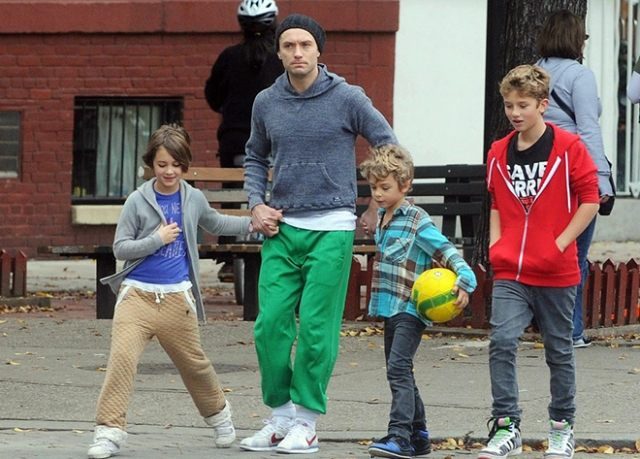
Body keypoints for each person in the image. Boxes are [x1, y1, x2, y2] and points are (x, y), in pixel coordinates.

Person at [239, 13, 398, 454]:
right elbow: (254, 157)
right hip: (281, 228)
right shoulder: (266, 102)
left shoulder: (347, 97)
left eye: (305, 45)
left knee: (315, 328)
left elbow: (388, 145)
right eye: (289, 45)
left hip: (332, 228)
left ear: (318, 50)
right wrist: (256, 205)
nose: (297, 53)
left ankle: (306, 423)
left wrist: (375, 204)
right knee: (269, 325)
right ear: (279, 52)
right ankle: (280, 417)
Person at [87, 124, 256, 459]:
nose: (169, 171)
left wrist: (254, 223)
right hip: (137, 297)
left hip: (177, 299)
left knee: (195, 365)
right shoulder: (137, 201)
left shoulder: (192, 198)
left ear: (185, 165)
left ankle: (220, 415)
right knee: (121, 361)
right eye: (162, 164)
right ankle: (108, 432)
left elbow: (217, 223)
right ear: (151, 163)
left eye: (176, 165)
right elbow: (121, 247)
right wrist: (156, 240)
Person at [477, 65, 599, 459]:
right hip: (511, 269)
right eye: (509, 105)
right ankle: (506, 427)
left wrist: (560, 244)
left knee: (559, 351)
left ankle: (562, 428)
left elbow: (590, 201)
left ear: (542, 105)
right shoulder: (499, 152)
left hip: (555, 270)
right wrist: (497, 246)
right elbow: (497, 202)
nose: (514, 113)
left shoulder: (569, 147)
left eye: (523, 105)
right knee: (501, 342)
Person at [359, 145, 477, 459]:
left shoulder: (417, 220)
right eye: (374, 187)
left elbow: (446, 251)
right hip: (389, 306)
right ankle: (419, 435)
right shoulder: (383, 216)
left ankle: (399, 436)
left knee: (398, 369)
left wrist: (466, 280)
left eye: (385, 187)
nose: (378, 194)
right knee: (400, 370)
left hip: (411, 308)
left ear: (405, 185)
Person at [536, 9, 614, 348]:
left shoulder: (533, 71)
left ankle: (546, 325)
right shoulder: (580, 75)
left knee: (546, 249)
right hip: (573, 170)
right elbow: (588, 129)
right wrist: (602, 179)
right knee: (574, 254)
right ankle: (571, 331)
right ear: (576, 39)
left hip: (541, 170)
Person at [204, 0, 284, 280]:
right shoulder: (283, 59)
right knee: (277, 192)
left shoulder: (229, 57)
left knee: (231, 193)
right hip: (274, 141)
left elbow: (213, 97)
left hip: (235, 141)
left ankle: (228, 259)